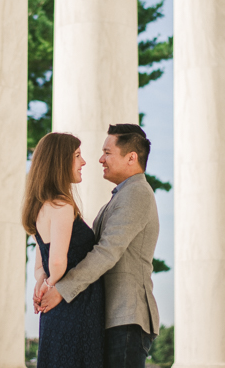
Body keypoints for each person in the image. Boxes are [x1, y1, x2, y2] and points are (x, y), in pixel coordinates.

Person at [36, 123, 160, 368]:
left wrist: (61, 289)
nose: (100, 159)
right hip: (109, 316)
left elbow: (106, 251)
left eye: (107, 152)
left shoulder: (136, 194)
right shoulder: (118, 197)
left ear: (131, 157)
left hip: (126, 317)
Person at [22, 132, 105, 368]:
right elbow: (57, 263)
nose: (84, 162)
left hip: (55, 313)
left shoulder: (38, 208)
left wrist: (42, 283)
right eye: (77, 156)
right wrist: (51, 287)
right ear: (60, 162)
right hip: (76, 309)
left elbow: (41, 266)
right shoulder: (62, 206)